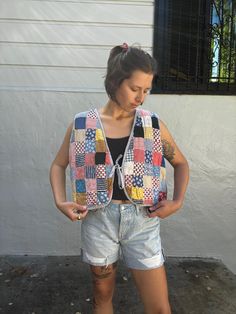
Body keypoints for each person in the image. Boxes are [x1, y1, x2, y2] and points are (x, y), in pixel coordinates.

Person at [50, 43, 189, 314]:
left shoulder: (153, 125)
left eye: (146, 90)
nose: (141, 97)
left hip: (143, 221)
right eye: (135, 89)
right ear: (114, 81)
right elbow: (57, 165)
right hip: (98, 220)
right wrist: (60, 201)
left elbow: (181, 163)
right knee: (102, 297)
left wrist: (177, 201)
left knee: (160, 307)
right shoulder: (82, 124)